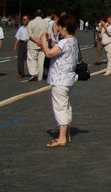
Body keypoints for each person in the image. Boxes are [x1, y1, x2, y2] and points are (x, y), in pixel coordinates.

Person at [31, 13, 78, 147]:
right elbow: (59, 50)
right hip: (68, 79)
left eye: (59, 28)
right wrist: (52, 42)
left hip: (60, 79)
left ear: (64, 28)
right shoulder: (73, 41)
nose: (58, 30)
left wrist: (44, 42)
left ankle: (61, 137)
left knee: (60, 108)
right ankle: (67, 134)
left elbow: (49, 53)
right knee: (66, 106)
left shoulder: (64, 42)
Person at [26, 10, 49, 81]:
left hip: (33, 44)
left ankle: (34, 73)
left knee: (32, 59)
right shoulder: (45, 23)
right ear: (42, 15)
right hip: (43, 44)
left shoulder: (31, 23)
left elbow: (30, 35)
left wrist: (37, 41)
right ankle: (40, 77)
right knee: (41, 61)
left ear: (35, 14)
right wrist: (42, 42)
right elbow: (48, 34)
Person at [14, 15, 30, 79]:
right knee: (20, 58)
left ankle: (33, 73)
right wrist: (15, 45)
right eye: (23, 20)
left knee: (29, 58)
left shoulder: (30, 27)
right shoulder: (21, 28)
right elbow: (18, 37)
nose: (23, 21)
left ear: (28, 20)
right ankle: (21, 73)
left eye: (25, 20)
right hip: (22, 43)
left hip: (29, 43)